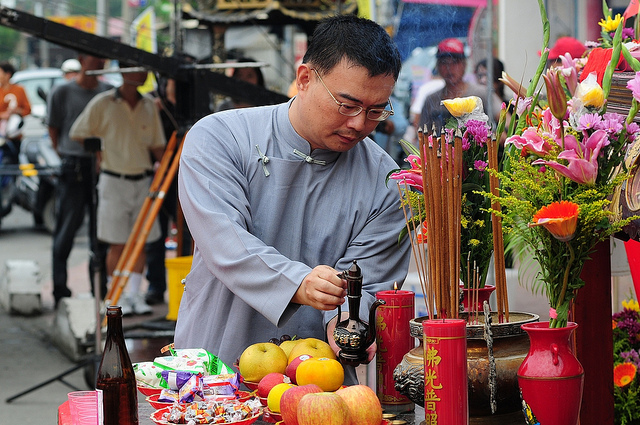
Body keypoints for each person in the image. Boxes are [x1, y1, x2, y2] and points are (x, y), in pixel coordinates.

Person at [173, 15, 411, 385]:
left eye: (376, 110)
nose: (359, 124)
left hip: (317, 382)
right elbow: (225, 243)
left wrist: (346, 323)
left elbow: (365, 285)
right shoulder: (219, 138)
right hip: (214, 368)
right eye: (347, 105)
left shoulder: (387, 182)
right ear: (304, 79)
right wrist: (298, 283)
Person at [69, 64, 166, 316]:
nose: (143, 73)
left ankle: (135, 296)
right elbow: (77, 133)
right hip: (113, 179)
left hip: (144, 181)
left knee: (140, 241)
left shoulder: (148, 106)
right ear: (123, 72)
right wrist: (100, 152)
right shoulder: (103, 103)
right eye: (137, 68)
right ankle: (117, 296)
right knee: (117, 243)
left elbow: (158, 146)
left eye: (146, 68)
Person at [48, 54, 114, 308]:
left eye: (102, 59)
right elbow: (53, 129)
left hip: (101, 167)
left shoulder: (108, 92)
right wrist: (64, 154)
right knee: (66, 230)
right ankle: (60, 291)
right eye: (95, 58)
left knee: (100, 235)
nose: (99, 63)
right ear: (81, 60)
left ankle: (100, 291)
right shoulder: (62, 92)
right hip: (73, 166)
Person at [418, 38, 501, 131]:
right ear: (437, 66)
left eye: (455, 62)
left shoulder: (481, 94)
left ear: (464, 65)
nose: (449, 68)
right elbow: (424, 135)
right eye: (444, 62)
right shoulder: (431, 100)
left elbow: (506, 121)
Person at [0, 62, 31, 141]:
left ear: (8, 75)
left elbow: (28, 110)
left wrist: (17, 111)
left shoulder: (19, 90)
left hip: (14, 134)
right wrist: (2, 115)